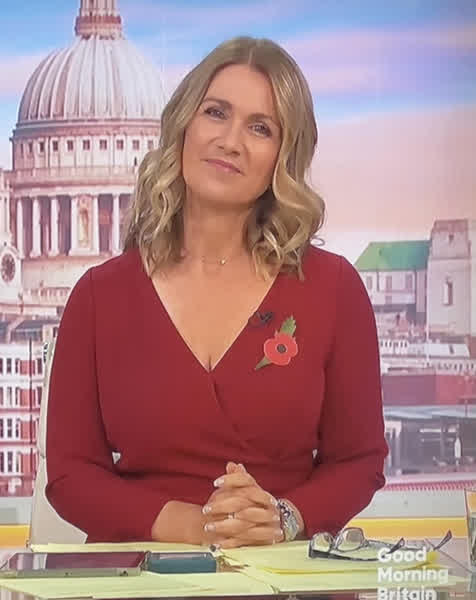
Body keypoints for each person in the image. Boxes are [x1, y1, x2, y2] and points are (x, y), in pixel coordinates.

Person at [45, 35, 388, 547]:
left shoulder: (333, 289)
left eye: (260, 127)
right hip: (141, 572)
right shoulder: (99, 296)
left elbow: (358, 461)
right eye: (216, 112)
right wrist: (190, 525)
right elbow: (70, 473)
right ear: (184, 125)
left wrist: (284, 518)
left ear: (283, 156)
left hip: (281, 570)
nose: (231, 141)